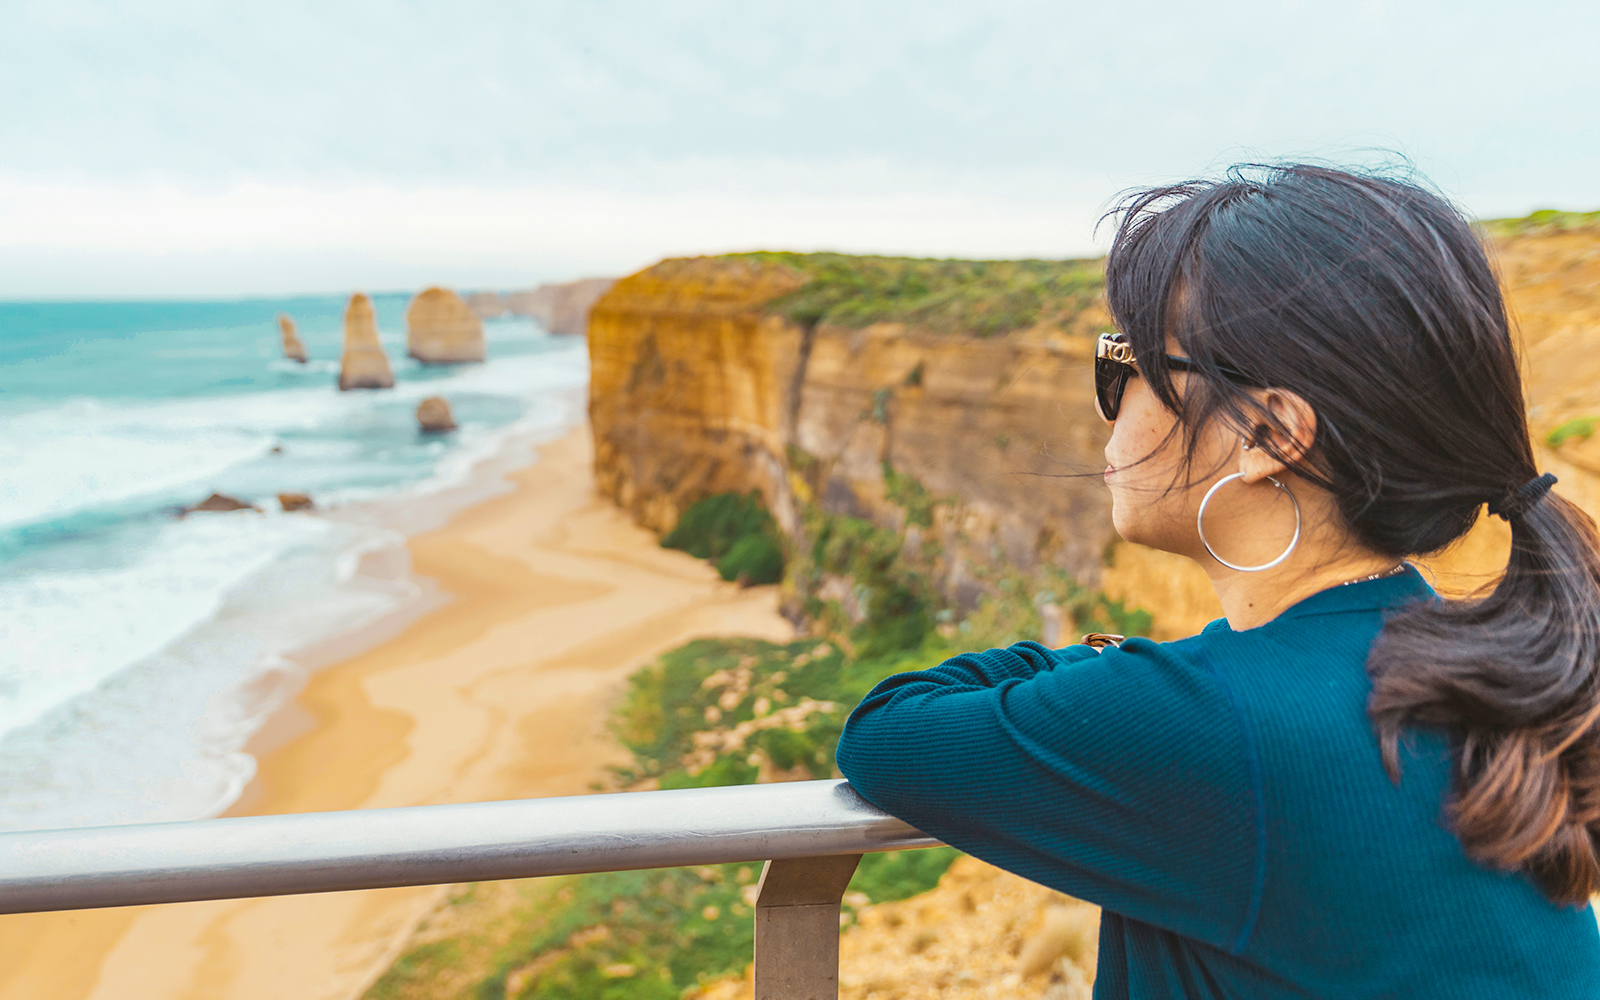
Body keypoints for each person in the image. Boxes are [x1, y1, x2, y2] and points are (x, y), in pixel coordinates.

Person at [835, 164, 1600, 998]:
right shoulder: (1463, 659)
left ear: (1270, 434)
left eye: (1123, 364)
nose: (1110, 405)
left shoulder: (1222, 724)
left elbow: (887, 735)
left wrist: (1118, 670)